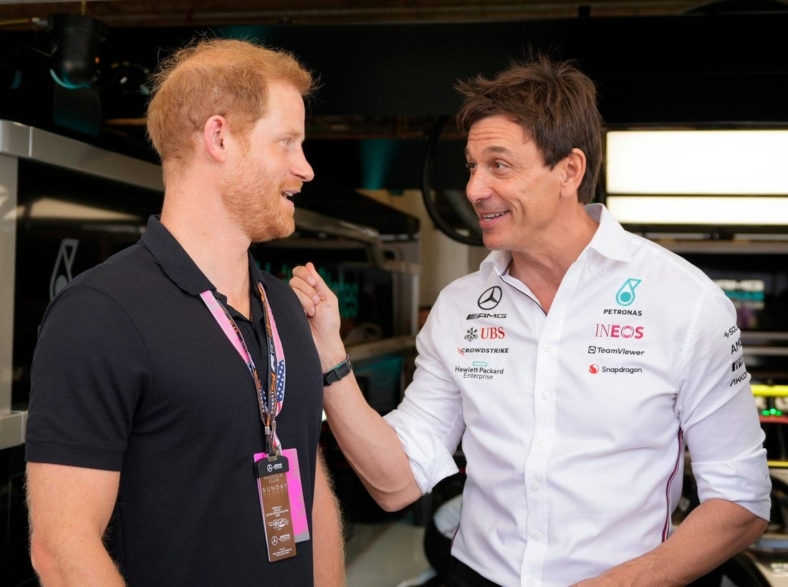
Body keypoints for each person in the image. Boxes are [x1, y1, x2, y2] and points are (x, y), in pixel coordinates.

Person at [290, 53, 771, 586]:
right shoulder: (459, 307)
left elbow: (741, 501)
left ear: (569, 171)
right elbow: (396, 482)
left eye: (499, 165)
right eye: (472, 166)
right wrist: (330, 357)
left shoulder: (685, 301)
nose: (474, 189)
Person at [25, 38, 344, 586]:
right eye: (287, 143)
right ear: (219, 138)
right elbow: (61, 548)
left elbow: (307, 482)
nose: (306, 168)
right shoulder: (100, 314)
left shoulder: (285, 309)